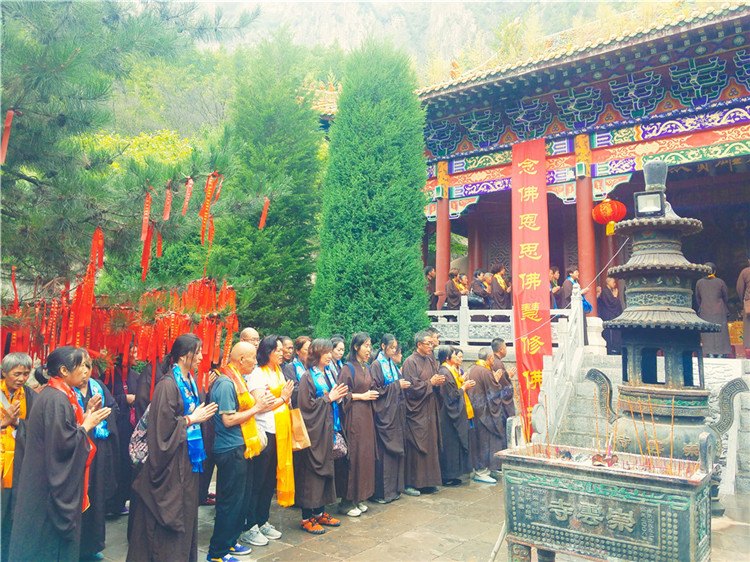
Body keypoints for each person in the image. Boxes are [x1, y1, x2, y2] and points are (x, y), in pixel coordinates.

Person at [9, 346, 110, 562]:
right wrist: (86, 426)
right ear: (64, 370)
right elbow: (62, 446)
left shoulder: (60, 393)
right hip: (47, 486)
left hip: (42, 479)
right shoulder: (56, 399)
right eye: (82, 365)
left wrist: (86, 417)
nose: (86, 371)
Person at [126, 334, 218, 562]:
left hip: (187, 460)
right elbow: (162, 430)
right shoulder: (167, 385)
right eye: (197, 352)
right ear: (184, 356)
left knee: (186, 513)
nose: (201, 357)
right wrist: (191, 419)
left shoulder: (188, 380)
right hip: (170, 464)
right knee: (169, 516)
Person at [207, 342, 274, 561]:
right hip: (230, 450)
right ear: (242, 359)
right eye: (253, 357)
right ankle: (217, 552)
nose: (256, 361)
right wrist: (257, 408)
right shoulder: (226, 383)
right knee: (229, 502)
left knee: (241, 501)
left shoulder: (238, 379)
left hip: (242, 447)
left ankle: (230, 542)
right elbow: (228, 419)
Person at [243, 336, 294, 545]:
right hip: (264, 432)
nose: (282, 353)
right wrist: (282, 398)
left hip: (279, 431)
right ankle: (249, 525)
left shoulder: (278, 371)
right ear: (268, 351)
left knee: (269, 481)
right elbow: (261, 404)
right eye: (278, 350)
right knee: (258, 480)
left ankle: (262, 520)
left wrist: (283, 399)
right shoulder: (257, 373)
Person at [297, 338, 348, 534]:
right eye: (325, 352)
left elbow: (333, 397)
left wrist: (338, 398)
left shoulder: (329, 373)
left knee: (326, 472)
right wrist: (329, 399)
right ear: (316, 354)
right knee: (311, 475)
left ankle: (319, 512)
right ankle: (306, 517)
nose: (329, 355)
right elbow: (306, 407)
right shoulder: (307, 377)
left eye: (329, 352)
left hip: (328, 430)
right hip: (314, 433)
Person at [74, 357, 120, 561]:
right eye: (81, 366)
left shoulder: (98, 386)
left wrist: (103, 413)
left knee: (97, 496)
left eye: (88, 366)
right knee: (80, 494)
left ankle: (94, 544)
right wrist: (88, 410)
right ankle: (76, 546)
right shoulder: (68, 391)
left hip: (100, 448)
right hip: (80, 449)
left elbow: (114, 408)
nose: (85, 371)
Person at [336, 332, 378, 517]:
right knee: (353, 457)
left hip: (366, 417)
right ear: (356, 347)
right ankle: (346, 502)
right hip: (353, 417)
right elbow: (341, 394)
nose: (369, 350)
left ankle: (359, 497)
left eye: (370, 346)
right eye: (366, 346)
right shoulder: (348, 368)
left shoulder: (366, 367)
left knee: (364, 456)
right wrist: (361, 396)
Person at [1, 353, 35, 561]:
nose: (22, 378)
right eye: (17, 374)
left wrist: (19, 424)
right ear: (4, 372)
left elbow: (38, 426)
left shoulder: (30, 396)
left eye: (26, 373)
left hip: (20, 464)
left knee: (14, 514)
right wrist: (4, 422)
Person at [401, 330, 443, 496]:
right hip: (416, 411)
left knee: (431, 444)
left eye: (432, 343)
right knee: (416, 447)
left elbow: (432, 381)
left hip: (429, 409)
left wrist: (437, 383)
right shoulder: (410, 362)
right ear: (419, 344)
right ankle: (411, 483)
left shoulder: (430, 360)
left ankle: (428, 482)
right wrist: (430, 383)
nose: (431, 346)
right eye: (428, 344)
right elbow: (411, 388)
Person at [370, 334, 410, 504]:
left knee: (395, 456)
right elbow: (376, 390)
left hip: (395, 414)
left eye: (395, 348)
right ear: (383, 346)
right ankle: (382, 493)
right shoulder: (376, 365)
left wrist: (399, 385)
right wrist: (396, 386)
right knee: (384, 456)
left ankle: (394, 490)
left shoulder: (391, 364)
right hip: (384, 414)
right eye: (391, 347)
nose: (394, 350)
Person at [466, 346, 512, 484]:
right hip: (485, 414)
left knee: (482, 442)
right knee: (484, 443)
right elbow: (494, 392)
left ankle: (487, 469)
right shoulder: (485, 372)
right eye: (492, 358)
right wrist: (496, 381)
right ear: (489, 358)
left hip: (478, 412)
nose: (493, 360)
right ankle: (481, 472)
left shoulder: (474, 369)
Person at [106, 347, 140, 516]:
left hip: (131, 426)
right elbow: (106, 399)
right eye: (134, 352)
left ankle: (121, 500)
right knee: (116, 463)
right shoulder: (109, 375)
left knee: (128, 463)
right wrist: (124, 399)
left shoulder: (135, 375)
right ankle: (111, 502)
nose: (137, 356)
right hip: (117, 425)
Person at [437, 345, 473, 486]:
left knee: (454, 445)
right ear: (447, 358)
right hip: (448, 416)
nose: (456, 357)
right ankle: (448, 476)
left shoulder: (449, 370)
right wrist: (463, 388)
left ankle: (454, 474)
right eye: (454, 355)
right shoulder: (444, 372)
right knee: (450, 446)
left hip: (452, 414)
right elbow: (451, 395)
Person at [695, 263, 732, 357]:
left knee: (707, 334)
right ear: (714, 271)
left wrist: (703, 305)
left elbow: (698, 298)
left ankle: (709, 352)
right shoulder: (720, 282)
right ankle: (721, 353)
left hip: (705, 310)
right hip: (719, 310)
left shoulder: (699, 283)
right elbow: (725, 297)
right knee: (721, 332)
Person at [282, 336, 311, 408]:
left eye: (311, 350)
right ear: (297, 351)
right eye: (306, 350)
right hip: (300, 407)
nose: (310, 353)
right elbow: (295, 391)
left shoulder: (312, 367)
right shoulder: (290, 368)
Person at [598, 277, 623, 355]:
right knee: (611, 333)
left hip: (610, 315)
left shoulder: (609, 291)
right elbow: (611, 303)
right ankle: (613, 349)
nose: (614, 284)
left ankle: (615, 348)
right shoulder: (606, 292)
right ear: (608, 283)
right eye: (613, 282)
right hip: (609, 316)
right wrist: (615, 297)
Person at [738, 256, 750, 358]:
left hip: (749, 303)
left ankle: (748, 350)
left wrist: (743, 299)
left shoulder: (745, 272)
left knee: (748, 326)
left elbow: (740, 288)